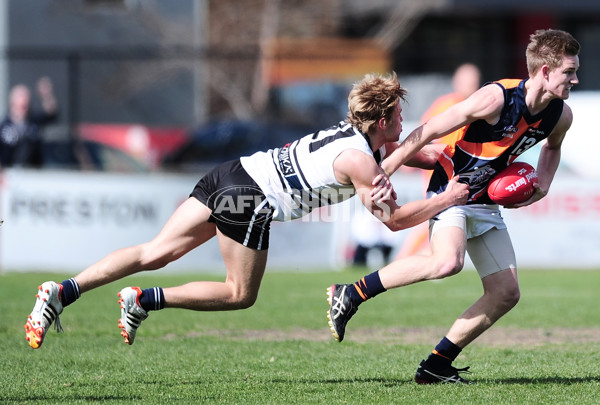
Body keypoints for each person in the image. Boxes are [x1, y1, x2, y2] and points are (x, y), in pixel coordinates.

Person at [24, 72, 469, 349]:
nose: (403, 121)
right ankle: (144, 300)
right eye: (397, 114)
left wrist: (429, 156)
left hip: (232, 172)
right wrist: (446, 199)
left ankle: (62, 291)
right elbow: (393, 220)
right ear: (381, 120)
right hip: (251, 199)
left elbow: (392, 152)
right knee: (240, 294)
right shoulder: (360, 161)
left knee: (153, 251)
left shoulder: (353, 136)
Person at [326, 29, 580, 384]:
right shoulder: (496, 98)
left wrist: (544, 183)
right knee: (447, 262)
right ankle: (351, 293)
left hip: (486, 200)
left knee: (506, 294)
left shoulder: (560, 115)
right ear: (544, 72)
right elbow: (428, 131)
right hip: (452, 187)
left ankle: (437, 365)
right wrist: (388, 167)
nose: (575, 78)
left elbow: (552, 148)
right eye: (569, 72)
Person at [397, 63, 481, 259]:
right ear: (456, 82)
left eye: (474, 80)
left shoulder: (482, 106)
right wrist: (409, 157)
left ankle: (432, 256)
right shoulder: (446, 104)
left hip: (466, 173)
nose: (472, 84)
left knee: (450, 216)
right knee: (432, 214)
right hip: (440, 172)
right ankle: (403, 259)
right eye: (468, 80)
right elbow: (424, 132)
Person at [0, 77, 59, 168]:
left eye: (27, 97)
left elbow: (52, 114)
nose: (25, 100)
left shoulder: (33, 121)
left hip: (33, 174)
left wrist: (47, 96)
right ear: (12, 101)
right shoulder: (4, 126)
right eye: (21, 96)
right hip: (9, 173)